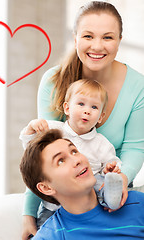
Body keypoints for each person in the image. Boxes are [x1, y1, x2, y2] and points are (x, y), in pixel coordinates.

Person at [21, 1, 144, 239]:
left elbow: (135, 147)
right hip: (66, 202)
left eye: (108, 37)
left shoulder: (138, 86)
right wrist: (28, 214)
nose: (97, 46)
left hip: (114, 190)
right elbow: (41, 153)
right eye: (88, 36)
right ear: (75, 37)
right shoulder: (53, 81)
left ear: (119, 40)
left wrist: (120, 180)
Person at [20, 79, 124, 224]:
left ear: (100, 117)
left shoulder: (102, 144)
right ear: (67, 108)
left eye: (94, 107)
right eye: (81, 104)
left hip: (87, 196)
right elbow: (31, 149)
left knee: (100, 181)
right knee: (45, 225)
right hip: (54, 204)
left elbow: (114, 164)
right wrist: (32, 127)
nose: (87, 110)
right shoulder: (53, 129)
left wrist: (111, 169)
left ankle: (111, 198)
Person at [20, 129, 144, 240]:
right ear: (46, 188)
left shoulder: (137, 203)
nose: (77, 160)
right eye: (61, 161)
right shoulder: (50, 235)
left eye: (74, 152)